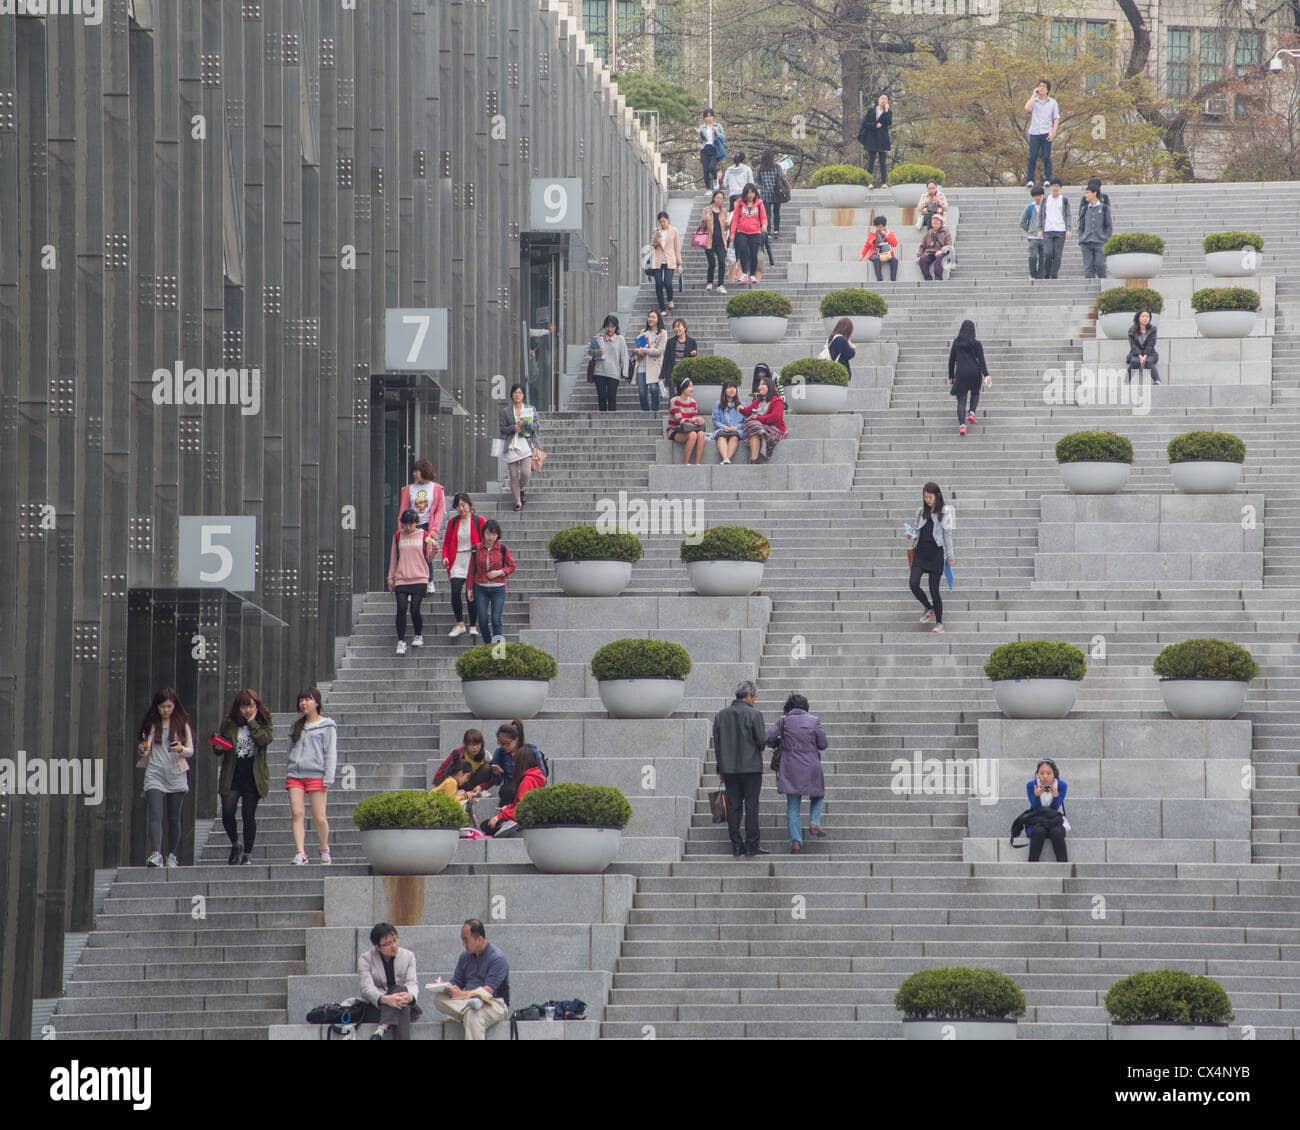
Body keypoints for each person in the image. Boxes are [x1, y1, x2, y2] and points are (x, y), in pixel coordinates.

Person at [136, 688, 194, 868]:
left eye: (169, 706)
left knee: (173, 818)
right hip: (155, 773)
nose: (166, 710)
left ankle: (172, 855)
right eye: (162, 706)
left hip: (176, 774)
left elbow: (191, 750)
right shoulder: (152, 724)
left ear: (174, 706)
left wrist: (180, 749)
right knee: (155, 813)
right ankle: (156, 853)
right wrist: (143, 749)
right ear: (157, 707)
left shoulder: (181, 723)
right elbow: (145, 745)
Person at [215, 689, 273, 865]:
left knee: (248, 815)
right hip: (232, 775)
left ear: (256, 706)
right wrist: (218, 747)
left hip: (253, 777)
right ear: (237, 707)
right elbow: (221, 746)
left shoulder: (264, 721)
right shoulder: (229, 723)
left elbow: (264, 740)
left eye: (250, 706)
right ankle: (235, 843)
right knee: (227, 812)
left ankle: (247, 853)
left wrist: (252, 722)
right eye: (243, 707)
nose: (247, 710)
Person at [767, 694, 829, 853]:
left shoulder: (783, 720)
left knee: (793, 805)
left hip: (790, 768)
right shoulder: (814, 721)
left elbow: (769, 738)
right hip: (811, 766)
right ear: (806, 707)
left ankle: (795, 842)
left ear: (789, 707)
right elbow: (823, 744)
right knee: (818, 795)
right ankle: (814, 822)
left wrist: (779, 743)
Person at [713, 680, 768, 858]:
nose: (755, 700)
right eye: (754, 697)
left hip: (729, 770)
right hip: (751, 768)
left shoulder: (721, 715)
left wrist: (720, 768)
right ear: (749, 696)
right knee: (752, 806)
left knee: (733, 806)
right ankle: (752, 846)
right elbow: (761, 742)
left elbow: (718, 745)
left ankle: (736, 846)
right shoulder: (755, 714)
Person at [432, 919, 510, 1041]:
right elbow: (456, 981)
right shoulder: (465, 956)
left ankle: (466, 1010)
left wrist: (461, 995)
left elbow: (488, 991)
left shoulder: (497, 958)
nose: (464, 944)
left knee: (473, 1015)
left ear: (479, 939)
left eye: (466, 940)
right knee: (439, 998)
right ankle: (470, 1007)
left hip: (494, 1003)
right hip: (468, 1001)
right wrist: (444, 986)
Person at [286, 688, 337, 865]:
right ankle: (300, 852)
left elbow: (331, 753)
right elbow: (290, 749)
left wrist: (328, 777)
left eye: (307, 699)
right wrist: (290, 765)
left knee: (319, 816)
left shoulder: (327, 725)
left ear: (316, 702)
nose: (303, 703)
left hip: (317, 775)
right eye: (301, 700)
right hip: (295, 775)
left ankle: (324, 849)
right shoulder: (297, 726)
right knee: (297, 813)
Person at [904, 482, 955, 635]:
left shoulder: (945, 512)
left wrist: (950, 556)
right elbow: (917, 530)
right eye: (925, 497)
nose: (927, 500)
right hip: (920, 554)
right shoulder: (920, 512)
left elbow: (947, 535)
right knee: (913, 583)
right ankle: (928, 607)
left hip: (936, 555)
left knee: (934, 590)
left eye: (930, 497)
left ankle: (939, 623)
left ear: (937, 496)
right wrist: (911, 534)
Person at [357, 923, 422, 1041]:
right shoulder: (365, 959)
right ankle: (383, 1028)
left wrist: (410, 997)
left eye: (395, 940)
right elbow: (367, 989)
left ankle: (381, 1029)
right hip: (377, 1007)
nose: (393, 946)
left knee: (401, 990)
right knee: (401, 1000)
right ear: (377, 947)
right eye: (387, 944)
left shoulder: (408, 956)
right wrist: (386, 999)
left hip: (403, 1003)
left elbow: (412, 982)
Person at [388, 507, 436, 655]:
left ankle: (418, 634)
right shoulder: (398, 536)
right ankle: (401, 641)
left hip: (420, 576)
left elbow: (428, 558)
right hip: (402, 577)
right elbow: (394, 558)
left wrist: (434, 551)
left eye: (411, 524)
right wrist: (391, 577)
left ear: (416, 523)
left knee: (415, 608)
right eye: (405, 524)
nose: (408, 527)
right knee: (401, 608)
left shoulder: (424, 535)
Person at [441, 492, 486, 639]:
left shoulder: (479, 521)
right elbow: (447, 543)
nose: (461, 509)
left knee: (470, 594)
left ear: (469, 505)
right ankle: (460, 623)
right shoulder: (453, 523)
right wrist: (445, 557)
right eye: (458, 506)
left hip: (473, 559)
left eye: (463, 505)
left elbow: (486, 540)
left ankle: (473, 625)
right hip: (457, 559)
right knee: (455, 590)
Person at [466, 518, 514, 644]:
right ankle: (488, 645)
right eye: (488, 533)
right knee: (482, 620)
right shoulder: (476, 549)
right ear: (483, 533)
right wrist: (469, 588)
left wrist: (499, 572)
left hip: (498, 588)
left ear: (498, 535)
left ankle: (499, 651)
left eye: (493, 534)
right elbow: (471, 570)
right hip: (480, 588)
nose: (490, 537)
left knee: (496, 619)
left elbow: (512, 566)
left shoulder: (502, 548)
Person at [481, 747, 545, 835]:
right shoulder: (536, 776)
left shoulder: (527, 781)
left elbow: (522, 809)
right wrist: (507, 808)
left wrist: (499, 817)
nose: (513, 764)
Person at [396, 460, 446, 572]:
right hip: (411, 525)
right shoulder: (408, 489)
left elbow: (439, 511)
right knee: (409, 552)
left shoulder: (437, 488)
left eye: (416, 471)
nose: (414, 474)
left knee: (426, 552)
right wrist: (401, 528)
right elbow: (403, 510)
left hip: (427, 525)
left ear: (424, 471)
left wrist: (434, 530)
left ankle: (429, 581)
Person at [487, 720, 549, 804]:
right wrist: (496, 773)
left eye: (507, 743)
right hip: (510, 790)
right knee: (506, 791)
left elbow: (542, 776)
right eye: (501, 744)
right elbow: (497, 782)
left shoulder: (531, 751)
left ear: (516, 739)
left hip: (529, 786)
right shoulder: (500, 753)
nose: (504, 747)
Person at [947, 319, 991, 436]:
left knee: (961, 400)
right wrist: (986, 374)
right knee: (975, 393)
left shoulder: (957, 343)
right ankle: (971, 412)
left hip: (961, 373)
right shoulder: (977, 344)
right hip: (975, 373)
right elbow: (982, 361)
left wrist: (951, 376)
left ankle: (962, 425)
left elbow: (951, 360)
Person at [498, 383, 538, 511]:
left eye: (520, 393)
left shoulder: (530, 409)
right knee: (513, 476)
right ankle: (517, 502)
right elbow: (502, 428)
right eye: (515, 393)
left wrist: (525, 424)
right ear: (511, 395)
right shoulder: (505, 411)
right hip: (511, 446)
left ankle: (520, 489)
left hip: (525, 445)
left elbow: (536, 427)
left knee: (526, 474)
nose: (517, 395)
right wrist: (513, 428)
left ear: (523, 395)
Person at [1026, 759, 1069, 862]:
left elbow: (1054, 809)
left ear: (1055, 774)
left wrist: (1055, 797)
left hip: (1055, 821)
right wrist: (1037, 796)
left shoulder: (1062, 785)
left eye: (1049, 773)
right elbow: (1037, 809)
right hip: (1038, 821)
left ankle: (1064, 867)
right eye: (1041, 773)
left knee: (1057, 833)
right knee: (1038, 832)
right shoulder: (1031, 785)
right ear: (1037, 774)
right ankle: (1032, 866)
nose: (1045, 776)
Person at [740, 374, 786, 463]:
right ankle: (754, 460)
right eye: (759, 385)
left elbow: (775, 417)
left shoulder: (777, 401)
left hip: (775, 429)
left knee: (752, 423)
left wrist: (758, 418)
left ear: (769, 386)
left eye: (763, 384)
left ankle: (762, 433)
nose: (759, 387)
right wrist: (739, 407)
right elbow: (747, 411)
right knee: (753, 429)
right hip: (761, 428)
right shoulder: (758, 401)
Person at [728, 184, 768, 287]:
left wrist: (764, 225)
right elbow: (735, 219)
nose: (750, 195)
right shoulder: (740, 204)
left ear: (755, 193)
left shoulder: (759, 204)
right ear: (745, 194)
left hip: (755, 232)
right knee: (743, 250)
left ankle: (752, 274)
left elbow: (763, 217)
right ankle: (744, 273)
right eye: (748, 193)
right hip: (742, 231)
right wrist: (732, 233)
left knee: (754, 253)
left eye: (752, 192)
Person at [589, 315, 629, 412]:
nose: (610, 329)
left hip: (614, 372)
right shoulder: (599, 339)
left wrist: (625, 372)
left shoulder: (620, 339)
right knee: (601, 396)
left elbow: (624, 356)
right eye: (607, 326)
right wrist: (598, 352)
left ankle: (612, 419)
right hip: (599, 371)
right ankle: (602, 418)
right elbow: (590, 352)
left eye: (612, 326)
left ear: (616, 327)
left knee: (611, 397)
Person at [1024, 79, 1059, 185]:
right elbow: (1027, 109)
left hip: (1046, 132)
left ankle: (1048, 179)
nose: (1041, 88)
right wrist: (1032, 95)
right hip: (1034, 132)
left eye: (1043, 86)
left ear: (1047, 89)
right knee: (1032, 156)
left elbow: (1056, 118)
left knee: (1047, 157)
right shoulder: (1034, 101)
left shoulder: (1052, 102)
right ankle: (1030, 179)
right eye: (1040, 86)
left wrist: (1054, 132)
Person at [667, 376, 707, 465]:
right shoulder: (674, 400)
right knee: (693, 435)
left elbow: (694, 419)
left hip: (689, 428)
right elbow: (680, 420)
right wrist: (693, 419)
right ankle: (685, 462)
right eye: (689, 387)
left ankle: (698, 463)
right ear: (683, 388)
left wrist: (699, 420)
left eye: (692, 386)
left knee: (701, 434)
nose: (691, 389)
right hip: (675, 429)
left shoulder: (693, 402)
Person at [634, 310, 669, 413]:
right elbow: (639, 348)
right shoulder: (643, 332)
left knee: (654, 390)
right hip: (642, 365)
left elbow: (659, 351)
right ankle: (645, 412)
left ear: (658, 319)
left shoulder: (663, 333)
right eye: (649, 317)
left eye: (653, 317)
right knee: (642, 392)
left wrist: (645, 350)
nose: (651, 319)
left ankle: (655, 412)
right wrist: (637, 352)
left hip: (655, 366)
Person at [1077, 181, 1113, 279]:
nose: (1086, 195)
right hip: (1086, 242)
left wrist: (1106, 238)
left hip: (1100, 242)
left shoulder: (1104, 208)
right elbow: (1081, 226)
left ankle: (1103, 288)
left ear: (1094, 193)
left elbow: (1109, 226)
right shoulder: (1084, 209)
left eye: (1088, 192)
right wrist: (1081, 238)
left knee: (1100, 265)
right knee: (1088, 268)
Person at [650, 211, 681, 317]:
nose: (663, 223)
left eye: (664, 221)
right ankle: (662, 308)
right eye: (660, 221)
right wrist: (655, 242)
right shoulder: (656, 230)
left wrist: (679, 263)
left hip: (670, 260)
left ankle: (670, 299)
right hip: (657, 260)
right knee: (658, 284)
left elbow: (677, 247)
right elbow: (652, 244)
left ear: (668, 220)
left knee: (668, 282)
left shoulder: (674, 231)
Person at [1039, 177, 1071, 279]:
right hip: (1048, 230)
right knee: (1048, 253)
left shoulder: (1064, 200)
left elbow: (1068, 215)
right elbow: (1041, 215)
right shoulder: (1045, 200)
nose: (1055, 188)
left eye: (1057, 186)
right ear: (1050, 187)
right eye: (1053, 186)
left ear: (1060, 188)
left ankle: (1054, 273)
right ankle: (1046, 273)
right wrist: (1040, 229)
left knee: (1057, 255)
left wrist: (1068, 229)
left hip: (1060, 230)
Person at [858, 92, 892, 187]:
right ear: (878, 100)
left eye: (886, 99)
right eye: (882, 98)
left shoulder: (888, 112)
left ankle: (884, 182)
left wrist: (886, 111)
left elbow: (889, 122)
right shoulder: (871, 110)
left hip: (882, 140)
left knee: (883, 162)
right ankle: (869, 182)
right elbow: (864, 123)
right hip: (872, 139)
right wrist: (875, 126)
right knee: (871, 161)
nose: (884, 100)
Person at [700, 190, 730, 294]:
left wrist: (727, 225)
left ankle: (720, 284)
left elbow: (725, 229)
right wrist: (704, 220)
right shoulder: (706, 210)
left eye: (721, 198)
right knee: (712, 263)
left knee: (722, 261)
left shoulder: (724, 211)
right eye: (717, 198)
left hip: (721, 240)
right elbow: (702, 226)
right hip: (709, 240)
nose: (719, 200)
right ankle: (709, 281)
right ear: (713, 198)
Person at [756, 149, 789, 237]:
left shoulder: (760, 168)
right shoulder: (777, 167)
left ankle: (768, 232)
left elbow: (758, 181)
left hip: (765, 194)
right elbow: (782, 178)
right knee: (776, 212)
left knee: (767, 214)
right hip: (776, 193)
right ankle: (776, 230)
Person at [712, 381, 744, 465]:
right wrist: (723, 427)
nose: (732, 390)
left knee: (734, 437)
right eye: (729, 387)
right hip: (722, 430)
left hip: (736, 430)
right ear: (724, 390)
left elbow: (745, 421)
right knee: (721, 437)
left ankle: (727, 459)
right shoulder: (718, 404)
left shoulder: (742, 405)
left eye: (734, 387)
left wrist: (736, 427)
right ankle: (726, 458)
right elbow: (716, 420)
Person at [662, 318, 698, 392]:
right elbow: (666, 359)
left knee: (684, 395)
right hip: (672, 373)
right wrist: (662, 375)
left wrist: (694, 354)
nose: (676, 329)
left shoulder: (692, 342)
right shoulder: (670, 342)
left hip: (685, 373)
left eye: (678, 326)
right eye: (674, 327)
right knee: (672, 397)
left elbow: (694, 360)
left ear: (685, 328)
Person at [859, 215, 899, 282]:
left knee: (894, 260)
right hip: (875, 253)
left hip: (887, 253)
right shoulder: (872, 234)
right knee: (876, 259)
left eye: (880, 227)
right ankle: (880, 279)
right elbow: (867, 245)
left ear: (884, 226)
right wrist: (862, 255)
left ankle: (893, 279)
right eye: (877, 226)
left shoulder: (890, 233)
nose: (878, 228)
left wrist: (886, 235)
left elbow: (895, 244)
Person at [1126, 310, 1161, 386]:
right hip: (1135, 353)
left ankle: (1157, 381)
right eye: (1143, 316)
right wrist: (1140, 356)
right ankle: (1126, 380)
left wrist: (1144, 356)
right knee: (1135, 361)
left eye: (1147, 317)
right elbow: (1133, 345)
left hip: (1150, 353)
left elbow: (1151, 344)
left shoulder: (1153, 329)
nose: (1145, 318)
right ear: (1138, 318)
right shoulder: (1132, 329)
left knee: (1149, 361)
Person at [1020, 184, 1047, 279]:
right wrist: (1030, 230)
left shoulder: (1047, 206)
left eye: (1039, 195)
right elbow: (1022, 222)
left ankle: (1041, 275)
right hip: (1033, 237)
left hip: (1045, 236)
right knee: (1033, 256)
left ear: (1043, 195)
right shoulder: (1029, 207)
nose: (1037, 198)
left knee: (1044, 257)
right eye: (1035, 196)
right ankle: (1032, 274)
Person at [917, 213, 952, 281]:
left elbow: (949, 245)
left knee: (939, 257)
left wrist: (941, 251)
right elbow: (922, 246)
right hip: (930, 252)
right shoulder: (929, 233)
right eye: (933, 221)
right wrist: (919, 256)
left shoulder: (946, 232)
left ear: (941, 223)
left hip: (942, 252)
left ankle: (938, 277)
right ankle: (928, 278)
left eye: (937, 221)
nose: (934, 222)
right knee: (923, 259)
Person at [698, 107, 725, 191]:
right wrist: (699, 135)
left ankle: (715, 178)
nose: (708, 118)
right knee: (705, 169)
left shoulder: (718, 126)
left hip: (714, 148)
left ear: (713, 116)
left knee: (712, 167)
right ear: (704, 118)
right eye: (706, 116)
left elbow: (723, 138)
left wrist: (717, 132)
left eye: (710, 116)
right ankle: (708, 188)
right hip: (705, 149)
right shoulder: (702, 127)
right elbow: (700, 141)